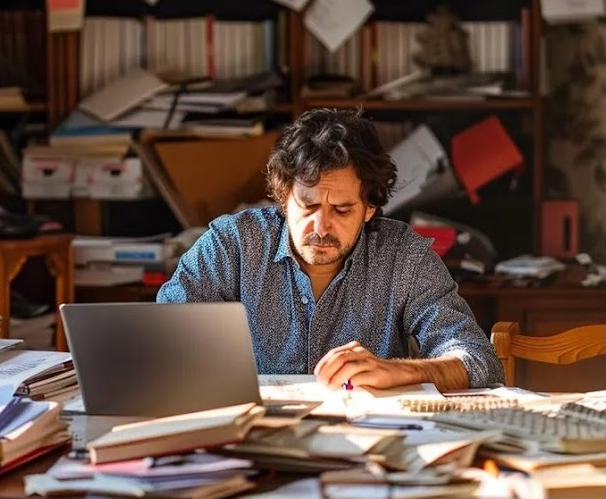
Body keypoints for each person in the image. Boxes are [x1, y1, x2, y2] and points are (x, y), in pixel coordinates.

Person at [157, 109, 503, 391]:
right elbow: (160, 340)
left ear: (369, 208)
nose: (321, 228)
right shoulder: (232, 243)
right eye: (307, 206)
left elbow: (479, 361)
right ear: (283, 198)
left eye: (341, 209)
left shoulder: (404, 257)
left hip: (370, 445)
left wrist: (400, 371)